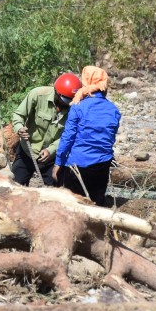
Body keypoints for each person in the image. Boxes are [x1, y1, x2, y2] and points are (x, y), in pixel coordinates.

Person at [52, 65, 120, 207]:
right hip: (103, 165)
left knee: (74, 206)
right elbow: (110, 138)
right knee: (96, 205)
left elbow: (67, 137)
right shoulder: (114, 110)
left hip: (79, 166)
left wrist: (58, 163)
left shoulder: (78, 106)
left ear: (86, 83)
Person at [9, 72, 82, 186]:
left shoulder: (75, 107)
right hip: (28, 152)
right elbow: (18, 115)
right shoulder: (38, 94)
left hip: (51, 158)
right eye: (63, 99)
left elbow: (69, 135)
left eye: (69, 100)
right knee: (14, 185)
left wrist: (51, 150)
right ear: (56, 92)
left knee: (55, 191)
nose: (65, 103)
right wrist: (19, 128)